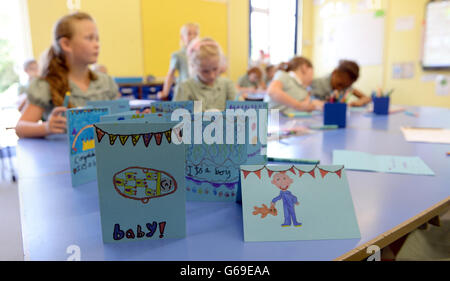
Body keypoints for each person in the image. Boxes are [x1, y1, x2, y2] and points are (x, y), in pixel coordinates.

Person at [15, 12, 119, 138]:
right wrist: (46, 127)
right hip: (63, 156)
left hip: (105, 155)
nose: (97, 44)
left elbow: (120, 118)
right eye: (89, 38)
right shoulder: (46, 85)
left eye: (97, 39)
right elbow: (21, 128)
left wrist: (140, 119)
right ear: (66, 44)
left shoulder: (106, 82)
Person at [174, 37, 236, 111]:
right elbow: (176, 117)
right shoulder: (184, 88)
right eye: (205, 71)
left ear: (220, 63)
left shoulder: (227, 85)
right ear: (193, 66)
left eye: (215, 69)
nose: (212, 76)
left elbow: (241, 112)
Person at [157, 23, 199, 100]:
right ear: (182, 37)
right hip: (182, 91)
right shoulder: (178, 55)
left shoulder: (201, 54)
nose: (192, 37)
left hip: (197, 92)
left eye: (195, 34)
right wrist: (165, 92)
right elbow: (171, 74)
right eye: (189, 34)